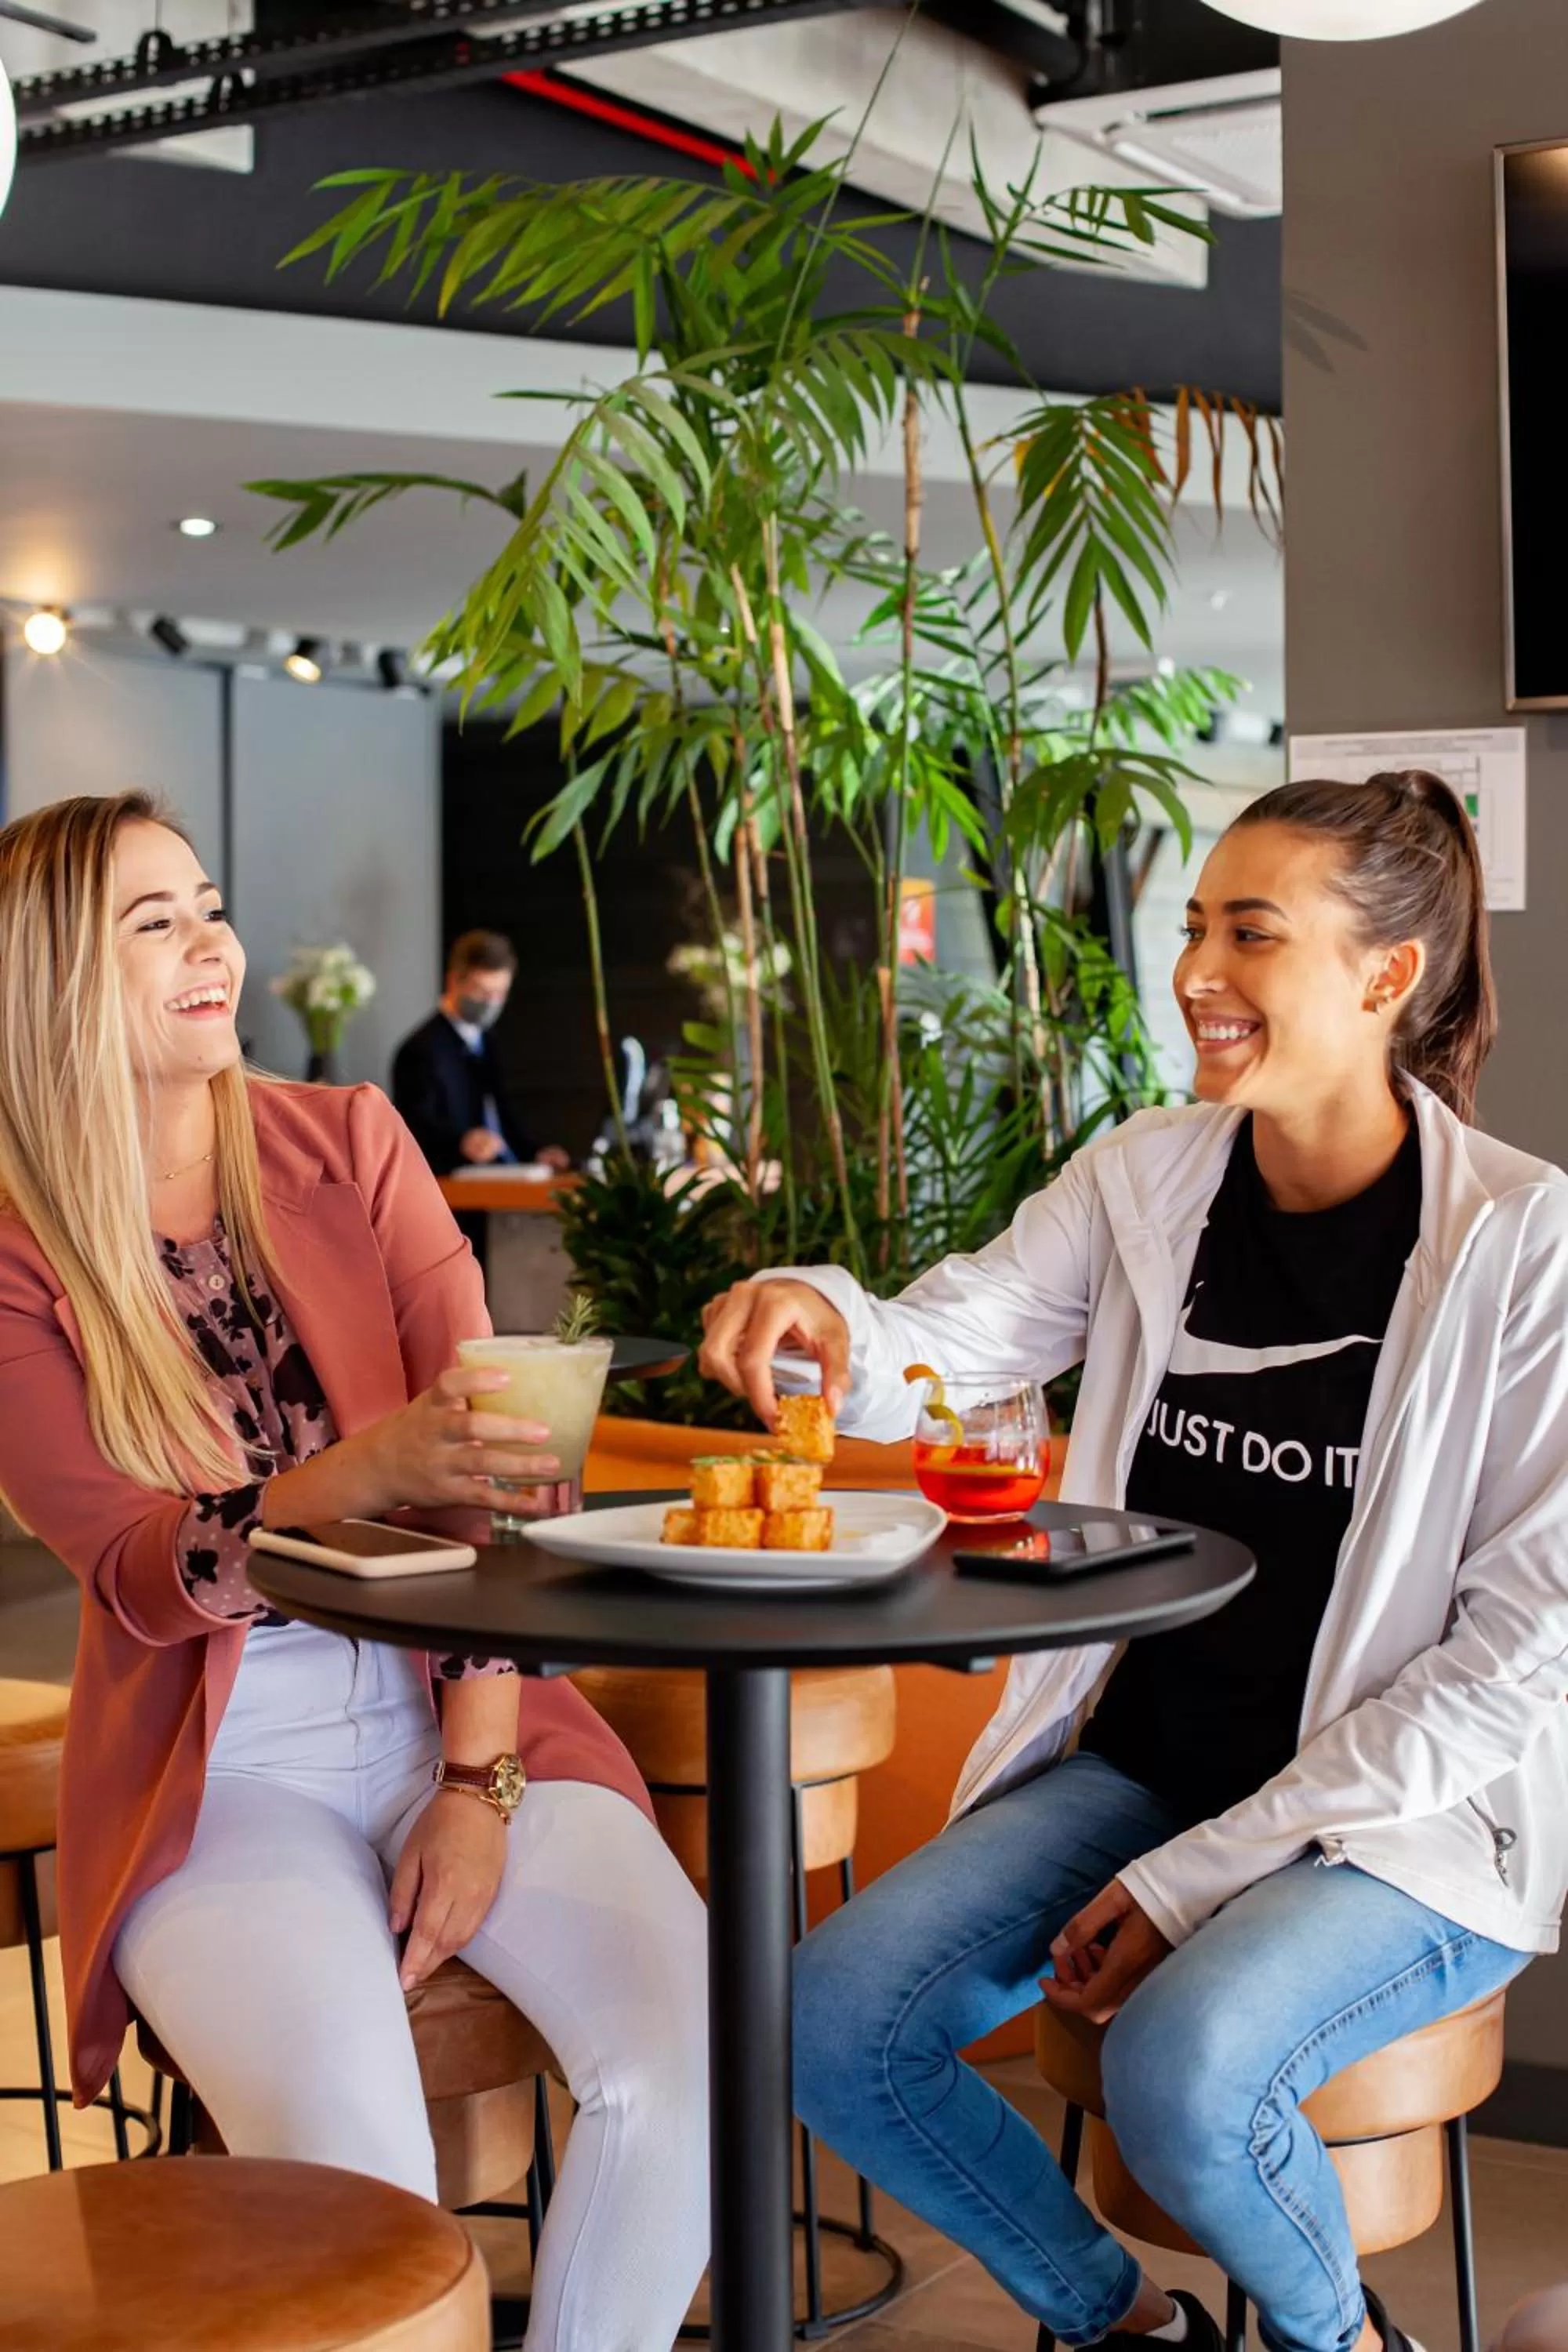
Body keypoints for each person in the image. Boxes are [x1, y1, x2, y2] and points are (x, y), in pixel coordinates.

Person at [700, 772, 1568, 2352]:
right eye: (1195, 928)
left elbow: (1512, 1664)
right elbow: (955, 1337)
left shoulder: (1525, 1249)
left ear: (1386, 974)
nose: (1196, 973)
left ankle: (1341, 2345)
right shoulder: (1148, 1176)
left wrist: (1190, 1883)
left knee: (1179, 2067)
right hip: (1150, 1767)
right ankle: (1125, 2330)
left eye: (1252, 933)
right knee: (827, 2020)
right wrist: (827, 1313)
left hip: (1400, 1825)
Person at [0, 796, 709, 2352]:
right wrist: (358, 1474)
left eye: (208, 904)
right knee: (364, 2190)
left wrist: (476, 1782)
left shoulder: (348, 1141)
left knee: (690, 2049)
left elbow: (506, 1462)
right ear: (53, 977)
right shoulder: (16, 1250)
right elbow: (132, 1572)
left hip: (456, 1708)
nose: (213, 945)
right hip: (218, 1769)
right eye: (154, 923)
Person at [392, 929, 569, 1178]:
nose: (491, 1002)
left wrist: (534, 1153)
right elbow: (414, 1129)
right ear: (454, 982)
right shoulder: (421, 1050)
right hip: (452, 1184)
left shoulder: (490, 1041)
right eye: (482, 991)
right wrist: (462, 1142)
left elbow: (503, 1115)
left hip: (504, 1175)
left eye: (500, 993)